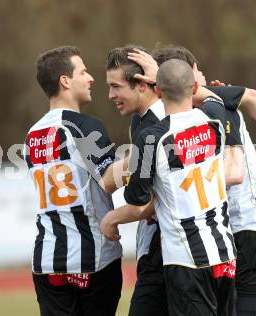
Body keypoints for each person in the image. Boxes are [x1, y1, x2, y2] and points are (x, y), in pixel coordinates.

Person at [101, 59, 244, 316]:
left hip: (187, 259)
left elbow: (137, 202)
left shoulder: (151, 138)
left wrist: (110, 219)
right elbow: (212, 98)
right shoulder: (215, 117)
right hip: (224, 252)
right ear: (193, 88)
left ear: (157, 92)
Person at [151, 46, 256, 316]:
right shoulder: (208, 112)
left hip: (247, 230)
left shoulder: (213, 105)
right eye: (198, 69)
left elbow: (252, 96)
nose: (202, 74)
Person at [23, 45, 125, 316]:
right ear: (65, 81)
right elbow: (109, 181)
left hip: (47, 261)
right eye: (83, 71)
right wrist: (146, 152)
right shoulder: (82, 126)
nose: (90, 78)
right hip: (93, 260)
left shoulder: (32, 135)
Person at [106, 45, 168, 316]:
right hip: (155, 249)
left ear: (142, 84)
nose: (111, 95)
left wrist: (112, 217)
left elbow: (162, 196)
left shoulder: (167, 122)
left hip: (170, 252)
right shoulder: (139, 122)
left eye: (116, 86)